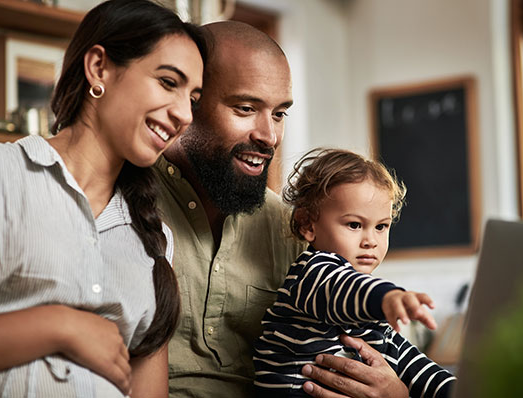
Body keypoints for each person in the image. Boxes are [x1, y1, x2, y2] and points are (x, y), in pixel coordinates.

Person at [157, 21, 426, 398]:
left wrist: (397, 394)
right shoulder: (127, 202)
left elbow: (359, 331)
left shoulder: (290, 226)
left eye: (280, 113)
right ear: (190, 102)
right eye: (246, 108)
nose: (268, 135)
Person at [0, 1, 204, 397]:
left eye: (194, 99)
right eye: (169, 82)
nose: (185, 113)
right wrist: (61, 327)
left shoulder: (155, 241)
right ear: (99, 68)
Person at [253, 148, 456, 397]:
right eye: (354, 225)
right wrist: (388, 297)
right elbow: (343, 288)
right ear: (307, 224)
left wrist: (456, 389)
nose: (370, 240)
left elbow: (408, 361)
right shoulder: (311, 273)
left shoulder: (367, 310)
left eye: (381, 226)